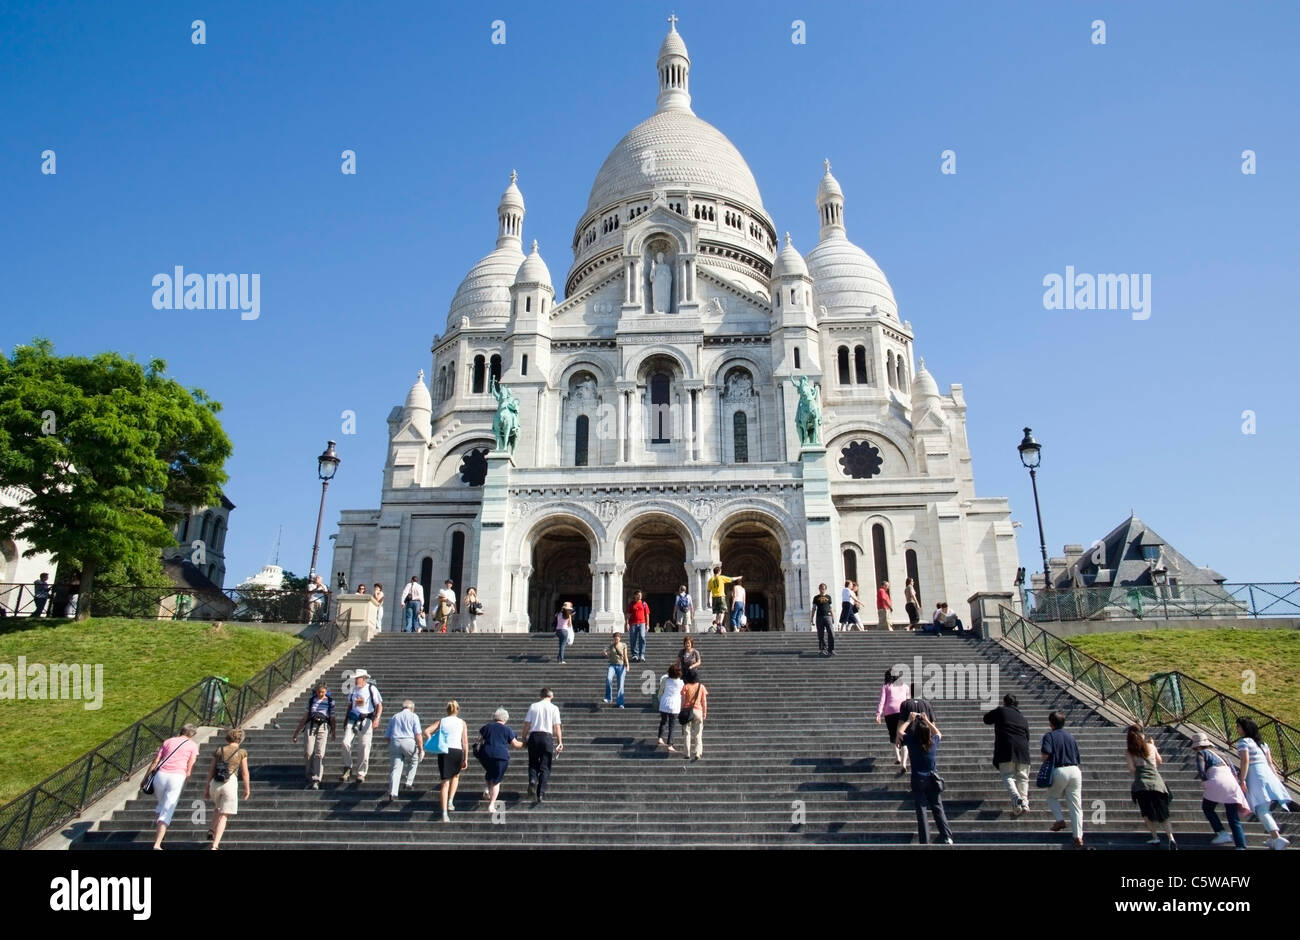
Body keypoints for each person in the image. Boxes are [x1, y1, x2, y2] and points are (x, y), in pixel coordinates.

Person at [1235, 717, 1291, 849]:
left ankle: (1277, 838)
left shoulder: (1244, 742)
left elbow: (1245, 761)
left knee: (1260, 808)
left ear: (1245, 728)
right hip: (1267, 774)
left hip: (1255, 775)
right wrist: (1276, 780)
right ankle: (1273, 838)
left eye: (1238, 726)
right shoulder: (1263, 744)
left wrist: (1242, 779)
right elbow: (1270, 763)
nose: (1237, 729)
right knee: (1263, 807)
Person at [898, 711, 952, 844]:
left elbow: (900, 732)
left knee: (921, 811)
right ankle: (947, 836)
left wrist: (909, 720)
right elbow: (939, 733)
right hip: (933, 779)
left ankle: (925, 841)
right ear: (928, 733)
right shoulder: (933, 742)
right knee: (937, 808)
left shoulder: (912, 741)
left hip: (917, 779)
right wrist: (927, 720)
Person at [143, 723, 199, 850]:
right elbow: (190, 765)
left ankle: (160, 834)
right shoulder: (192, 745)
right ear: (192, 734)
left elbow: (156, 761)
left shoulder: (168, 741)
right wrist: (187, 778)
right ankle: (157, 844)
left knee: (162, 805)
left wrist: (145, 778)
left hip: (160, 776)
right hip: (177, 776)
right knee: (167, 809)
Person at [1191, 732, 1249, 850]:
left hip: (1216, 781)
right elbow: (1234, 771)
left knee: (1207, 808)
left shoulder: (1201, 753)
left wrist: (1205, 782)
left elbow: (1201, 771)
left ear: (1197, 746)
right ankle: (1241, 846)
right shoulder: (1223, 754)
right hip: (1232, 784)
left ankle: (1221, 832)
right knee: (1233, 818)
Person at [1125, 724, 1175, 848]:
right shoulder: (1151, 747)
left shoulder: (1129, 751)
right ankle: (1171, 839)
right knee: (1163, 814)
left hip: (1141, 785)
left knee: (1146, 813)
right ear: (1142, 734)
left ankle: (1155, 837)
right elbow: (1159, 761)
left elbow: (1131, 769)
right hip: (1157, 783)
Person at [1041, 711, 1084, 848]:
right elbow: (1077, 757)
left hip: (1060, 770)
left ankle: (1059, 820)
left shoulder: (1049, 736)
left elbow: (1045, 754)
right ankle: (1078, 836)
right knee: (1076, 806)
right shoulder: (1071, 737)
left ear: (1051, 723)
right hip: (1075, 771)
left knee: (1052, 797)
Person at [984, 694, 1031, 815]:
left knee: (1007, 775)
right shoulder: (1023, 718)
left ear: (1005, 702)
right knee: (1023, 778)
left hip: (1006, 748)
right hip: (1023, 750)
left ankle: (1015, 797)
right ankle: (1024, 803)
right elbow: (1028, 736)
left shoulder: (1001, 711)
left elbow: (986, 719)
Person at [203, 727, 250, 850]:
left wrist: (207, 788)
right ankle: (215, 845)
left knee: (218, 807)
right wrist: (247, 789)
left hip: (215, 782)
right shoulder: (242, 752)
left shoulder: (219, 750)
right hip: (230, 782)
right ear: (240, 739)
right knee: (224, 815)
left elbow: (211, 771)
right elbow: (245, 773)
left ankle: (211, 830)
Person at [424, 701, 468, 822]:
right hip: (457, 751)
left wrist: (433, 740)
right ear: (457, 710)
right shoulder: (462, 722)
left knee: (444, 782)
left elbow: (426, 731)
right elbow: (465, 742)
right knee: (456, 776)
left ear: (447, 710)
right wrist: (466, 758)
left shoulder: (442, 721)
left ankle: (444, 813)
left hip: (444, 751)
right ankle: (450, 800)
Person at [339, 669, 383, 783]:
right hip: (353, 719)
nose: (355, 680)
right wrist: (345, 719)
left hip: (366, 719)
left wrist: (377, 718)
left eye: (357, 678)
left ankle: (361, 773)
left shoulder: (371, 688)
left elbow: (379, 705)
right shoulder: (353, 690)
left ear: (364, 678)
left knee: (364, 747)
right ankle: (348, 767)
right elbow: (350, 705)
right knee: (345, 742)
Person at [522, 688, 564, 803]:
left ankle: (533, 779)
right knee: (545, 767)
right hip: (547, 737)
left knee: (533, 763)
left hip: (534, 736)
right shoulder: (554, 708)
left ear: (541, 696)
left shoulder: (533, 706)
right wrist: (560, 742)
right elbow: (557, 727)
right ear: (551, 696)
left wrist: (524, 737)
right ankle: (540, 793)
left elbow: (527, 724)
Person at [478, 708, 524, 813]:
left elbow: (479, 740)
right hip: (500, 756)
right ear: (505, 719)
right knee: (497, 780)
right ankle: (491, 804)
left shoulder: (486, 727)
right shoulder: (507, 729)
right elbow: (516, 744)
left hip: (485, 754)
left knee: (490, 772)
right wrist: (525, 743)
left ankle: (487, 789)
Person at [291, 682, 335, 789]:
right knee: (308, 752)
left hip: (323, 727)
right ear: (316, 691)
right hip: (310, 726)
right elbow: (305, 717)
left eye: (323, 692)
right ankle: (309, 775)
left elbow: (332, 718)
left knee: (319, 753)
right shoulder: (312, 700)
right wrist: (296, 732)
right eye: (319, 692)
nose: (320, 694)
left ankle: (316, 779)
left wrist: (333, 731)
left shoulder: (330, 701)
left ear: (326, 692)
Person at [383, 699, 425, 803]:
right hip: (408, 741)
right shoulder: (414, 716)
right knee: (414, 759)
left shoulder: (395, 717)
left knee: (396, 768)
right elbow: (418, 735)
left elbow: (387, 736)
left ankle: (393, 793)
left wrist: (392, 746)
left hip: (395, 741)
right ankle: (408, 782)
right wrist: (421, 749)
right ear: (412, 708)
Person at [875, 670, 908, 766]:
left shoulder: (886, 686)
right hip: (902, 712)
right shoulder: (904, 686)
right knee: (903, 735)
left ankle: (898, 757)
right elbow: (908, 699)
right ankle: (904, 763)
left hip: (889, 713)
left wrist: (878, 714)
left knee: (893, 734)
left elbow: (882, 700)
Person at [680, 673, 708, 761]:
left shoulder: (686, 686)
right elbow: (704, 701)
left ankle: (687, 753)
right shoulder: (701, 687)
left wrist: (681, 710)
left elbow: (683, 700)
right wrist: (704, 713)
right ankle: (698, 753)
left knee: (687, 733)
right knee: (698, 734)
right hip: (698, 711)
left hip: (687, 712)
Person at [657, 662, 684, 752]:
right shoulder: (681, 682)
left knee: (663, 721)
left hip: (664, 703)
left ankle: (660, 738)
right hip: (674, 705)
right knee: (672, 725)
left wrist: (659, 699)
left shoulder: (665, 680)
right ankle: (670, 744)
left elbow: (661, 691)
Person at [707, 566, 741, 632]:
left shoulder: (710, 580)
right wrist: (738, 577)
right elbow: (731, 579)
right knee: (722, 611)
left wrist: (708, 600)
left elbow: (708, 591)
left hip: (714, 598)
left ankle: (715, 626)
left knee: (717, 613)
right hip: (721, 597)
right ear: (719, 571)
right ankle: (719, 624)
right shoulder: (721, 577)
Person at [604, 631, 630, 707]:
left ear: (620, 638)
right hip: (612, 665)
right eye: (615, 639)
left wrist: (627, 665)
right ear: (613, 639)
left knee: (620, 685)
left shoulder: (623, 645)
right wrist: (606, 654)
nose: (616, 640)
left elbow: (625, 656)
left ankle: (620, 703)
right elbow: (610, 656)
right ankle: (608, 698)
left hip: (621, 666)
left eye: (617, 639)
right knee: (608, 679)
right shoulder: (611, 646)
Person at [811, 583, 835, 656]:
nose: (822, 590)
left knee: (831, 633)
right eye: (821, 588)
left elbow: (830, 608)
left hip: (828, 617)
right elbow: (814, 608)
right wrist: (812, 618)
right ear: (819, 589)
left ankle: (831, 650)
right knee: (820, 634)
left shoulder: (828, 597)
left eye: (823, 588)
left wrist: (833, 617)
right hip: (819, 617)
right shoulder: (816, 598)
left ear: (825, 589)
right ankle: (823, 649)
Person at [626, 590, 650, 661]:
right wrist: (627, 623)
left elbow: (647, 614)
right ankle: (634, 655)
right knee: (633, 639)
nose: (640, 596)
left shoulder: (644, 603)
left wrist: (647, 624)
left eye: (641, 595)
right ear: (635, 596)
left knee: (642, 637)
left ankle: (642, 654)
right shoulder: (631, 604)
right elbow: (628, 615)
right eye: (638, 595)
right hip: (633, 623)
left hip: (642, 623)